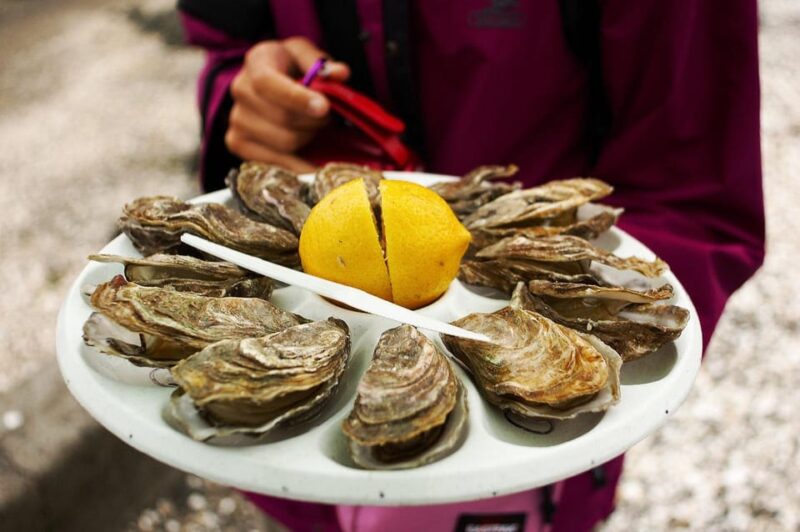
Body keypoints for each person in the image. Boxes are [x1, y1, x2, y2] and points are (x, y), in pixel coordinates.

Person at [177, 1, 765, 530]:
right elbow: (227, 42)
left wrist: (583, 352)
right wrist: (245, 96)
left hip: (525, 468)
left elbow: (693, 190)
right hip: (284, 456)